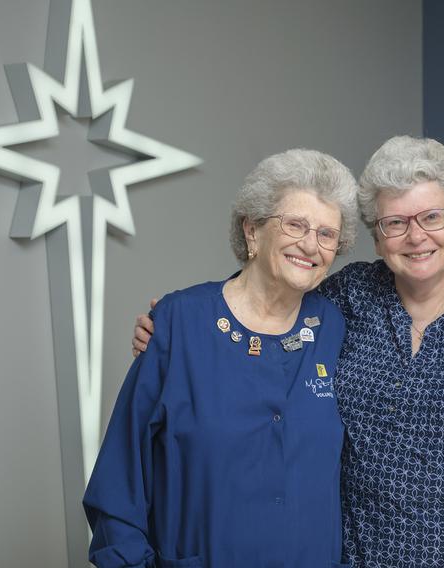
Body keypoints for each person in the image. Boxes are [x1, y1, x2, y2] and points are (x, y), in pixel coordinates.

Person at [134, 135, 444, 568]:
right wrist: (182, 329)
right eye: (395, 223)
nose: (415, 236)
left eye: (432, 217)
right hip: (357, 555)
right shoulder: (352, 295)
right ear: (378, 237)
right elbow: (273, 294)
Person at [85, 148, 359, 568]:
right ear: (252, 230)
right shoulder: (179, 322)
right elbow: (119, 485)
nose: (311, 244)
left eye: (327, 234)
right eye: (296, 224)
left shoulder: (335, 328)